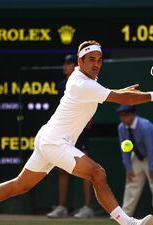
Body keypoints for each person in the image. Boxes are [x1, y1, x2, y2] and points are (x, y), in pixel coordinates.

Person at [0, 40, 153, 225]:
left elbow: (111, 94)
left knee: (21, 185)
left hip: (47, 138)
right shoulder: (82, 84)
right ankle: (128, 223)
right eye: (91, 60)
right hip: (56, 142)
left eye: (100, 60)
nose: (96, 64)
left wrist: (118, 92)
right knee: (97, 173)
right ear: (80, 61)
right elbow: (122, 99)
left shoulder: (83, 79)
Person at [46, 54, 94, 219]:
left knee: (86, 171)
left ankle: (87, 208)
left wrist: (87, 121)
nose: (65, 66)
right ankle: (62, 207)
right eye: (64, 63)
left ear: (76, 66)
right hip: (63, 133)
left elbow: (89, 103)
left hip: (79, 132)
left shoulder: (83, 83)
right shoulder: (61, 85)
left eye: (68, 63)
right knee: (62, 170)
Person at [116, 105, 153, 221]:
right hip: (138, 154)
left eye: (125, 115)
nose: (123, 118)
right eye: (121, 116)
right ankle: (125, 214)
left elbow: (151, 148)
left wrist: (152, 168)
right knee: (132, 181)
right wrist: (128, 168)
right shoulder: (121, 128)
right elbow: (124, 149)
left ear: (133, 115)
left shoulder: (145, 126)